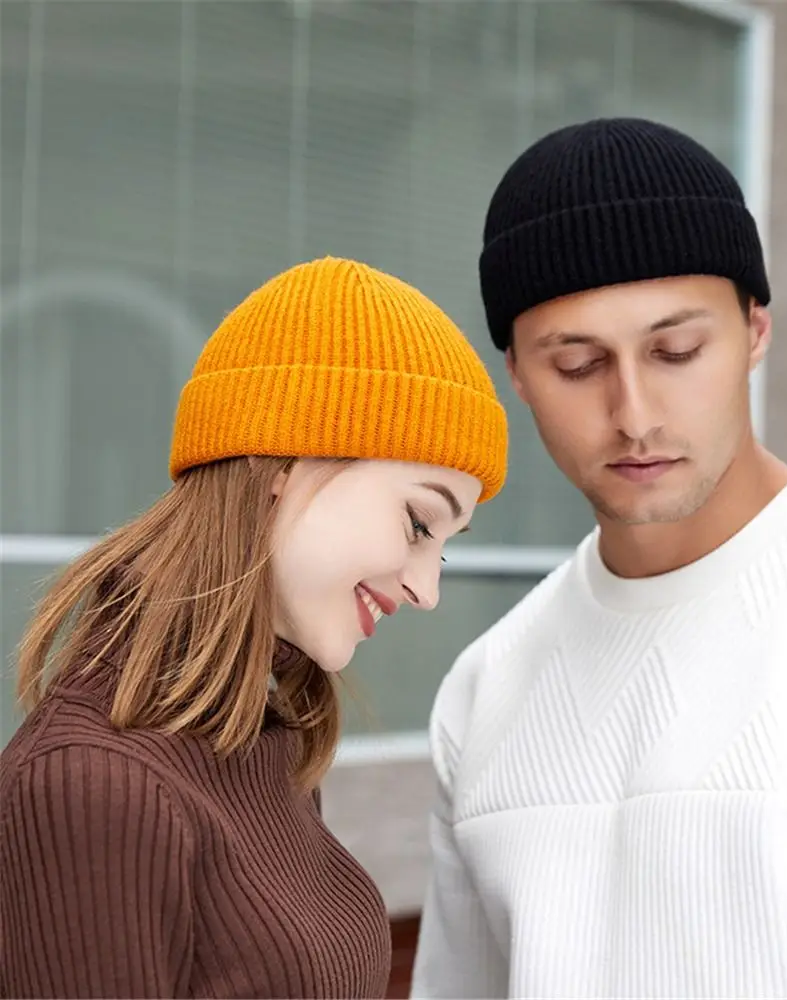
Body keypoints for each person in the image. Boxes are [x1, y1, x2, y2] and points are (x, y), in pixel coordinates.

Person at [410, 118, 787, 999]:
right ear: (518, 375)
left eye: (676, 351)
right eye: (577, 365)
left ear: (756, 331)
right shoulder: (487, 686)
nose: (634, 411)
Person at [0, 257, 507, 999]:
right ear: (284, 468)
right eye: (417, 522)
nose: (426, 588)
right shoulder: (90, 786)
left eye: (444, 544)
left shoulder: (261, 740)